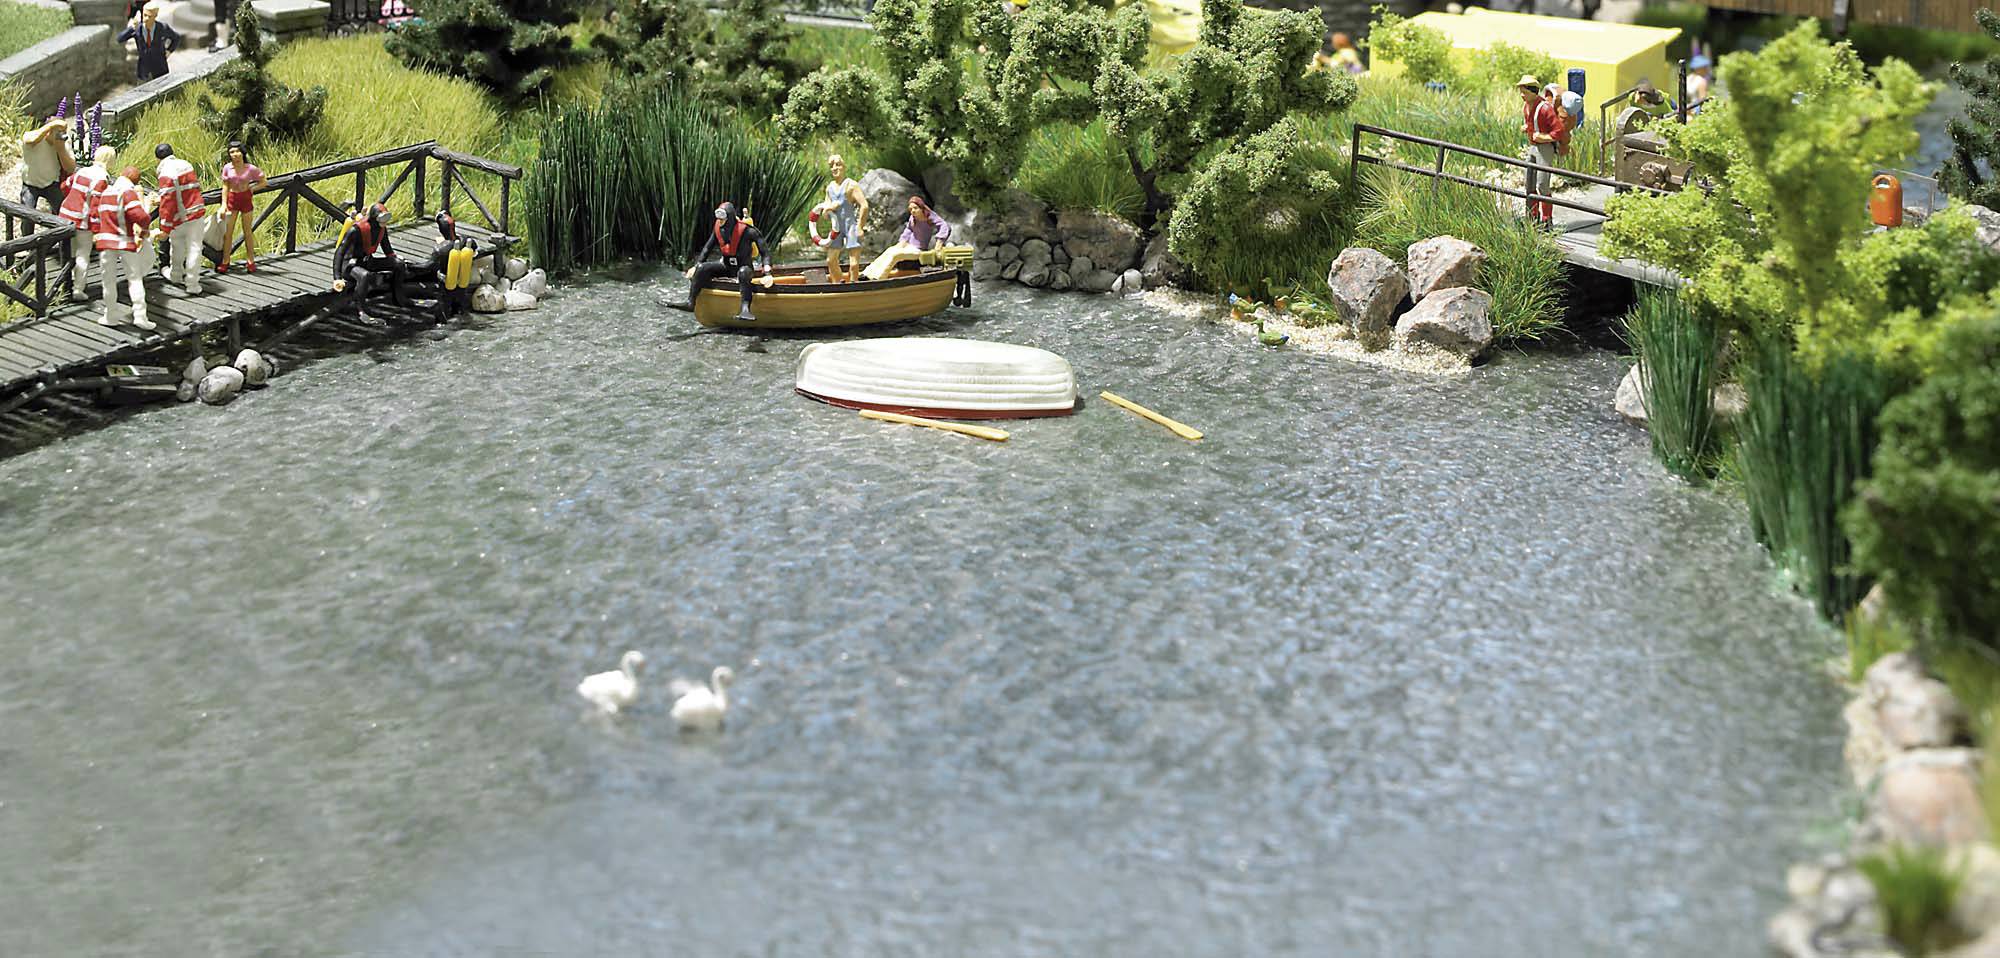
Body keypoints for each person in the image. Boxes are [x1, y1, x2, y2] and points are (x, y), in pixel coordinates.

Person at [92, 161, 154, 330]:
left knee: (108, 281)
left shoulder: (105, 192)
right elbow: (140, 216)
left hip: (106, 242)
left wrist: (96, 232)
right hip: (124, 241)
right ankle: (140, 316)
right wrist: (144, 230)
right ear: (134, 181)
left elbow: (95, 214)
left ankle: (110, 315)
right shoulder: (127, 192)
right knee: (134, 279)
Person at [683, 201, 771, 322]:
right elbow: (707, 248)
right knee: (702, 269)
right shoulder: (718, 229)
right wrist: (697, 265)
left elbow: (765, 252)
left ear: (729, 217)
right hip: (726, 266)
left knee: (743, 272)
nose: (720, 221)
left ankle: (745, 309)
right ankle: (690, 302)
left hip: (744, 268)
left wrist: (767, 273)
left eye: (723, 217)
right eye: (718, 218)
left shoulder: (748, 231)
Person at [332, 203, 409, 318]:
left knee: (399, 264)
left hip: (367, 261)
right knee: (364, 276)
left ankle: (398, 296)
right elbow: (340, 252)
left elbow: (386, 247)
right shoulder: (356, 230)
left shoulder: (381, 228)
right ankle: (361, 309)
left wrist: (393, 257)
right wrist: (337, 278)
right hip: (350, 265)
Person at [57, 146, 110, 299]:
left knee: (69, 251)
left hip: (66, 213)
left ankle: (64, 285)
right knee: (83, 253)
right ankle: (78, 289)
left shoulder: (83, 171)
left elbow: (64, 186)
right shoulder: (101, 178)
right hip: (82, 219)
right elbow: (95, 206)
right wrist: (97, 230)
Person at [860, 196, 954, 280]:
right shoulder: (913, 218)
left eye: (915, 208)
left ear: (921, 208)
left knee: (896, 256)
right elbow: (908, 230)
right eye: (911, 209)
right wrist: (902, 242)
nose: (913, 211)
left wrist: (939, 242)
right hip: (908, 246)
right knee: (889, 251)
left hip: (918, 250)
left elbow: (945, 226)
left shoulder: (929, 216)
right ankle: (867, 273)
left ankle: (879, 277)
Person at [153, 143, 206, 295]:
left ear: (158, 159)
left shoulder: (165, 173)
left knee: (177, 246)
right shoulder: (186, 165)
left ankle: (176, 274)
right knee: (195, 248)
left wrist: (165, 227)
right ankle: (193, 283)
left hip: (179, 217)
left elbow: (168, 201)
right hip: (195, 213)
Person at [1518, 75, 1560, 229]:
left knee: (1542, 184)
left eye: (1525, 92)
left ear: (1533, 91)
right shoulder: (1527, 107)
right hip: (1533, 147)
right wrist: (1527, 128)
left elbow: (1558, 131)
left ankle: (1547, 220)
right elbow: (1531, 124)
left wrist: (1544, 137)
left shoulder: (1545, 108)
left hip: (1544, 149)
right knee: (1529, 182)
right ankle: (1532, 216)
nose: (1522, 95)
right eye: (1521, 92)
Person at [817, 153, 868, 284]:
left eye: (838, 165)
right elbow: (825, 211)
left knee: (854, 263)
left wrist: (860, 227)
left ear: (843, 167)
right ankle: (837, 283)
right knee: (830, 260)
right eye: (832, 166)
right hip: (836, 227)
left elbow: (864, 205)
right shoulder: (830, 188)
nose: (834, 168)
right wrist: (827, 210)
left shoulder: (851, 185)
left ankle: (853, 284)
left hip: (850, 225)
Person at [217, 141, 264, 273]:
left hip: (245, 199)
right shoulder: (227, 168)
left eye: (237, 151)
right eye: (232, 152)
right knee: (228, 233)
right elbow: (225, 186)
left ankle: (251, 260)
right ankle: (225, 260)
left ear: (242, 152)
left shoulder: (250, 168)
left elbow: (263, 181)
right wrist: (224, 204)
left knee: (247, 231)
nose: (235, 154)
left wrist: (252, 188)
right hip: (233, 199)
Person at [18, 117, 75, 214]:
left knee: (62, 213)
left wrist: (61, 150)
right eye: (58, 132)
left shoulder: (63, 142)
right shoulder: (32, 135)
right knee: (27, 217)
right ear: (48, 131)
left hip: (51, 183)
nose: (62, 135)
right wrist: (52, 125)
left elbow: (70, 168)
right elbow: (30, 140)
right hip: (30, 184)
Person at [116, 1, 180, 83]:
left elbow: (176, 37)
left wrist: (169, 51)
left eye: (149, 16)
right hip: (143, 69)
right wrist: (132, 28)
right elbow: (119, 39)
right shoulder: (138, 29)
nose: (146, 19)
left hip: (160, 68)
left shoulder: (162, 28)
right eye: (145, 15)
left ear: (155, 16)